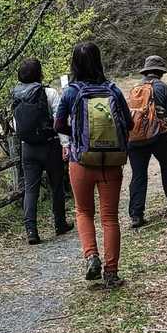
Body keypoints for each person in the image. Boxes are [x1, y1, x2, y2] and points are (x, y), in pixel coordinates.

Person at [55, 41, 132, 289]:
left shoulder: (70, 92)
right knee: (110, 218)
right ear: (99, 61)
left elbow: (58, 125)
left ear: (74, 64)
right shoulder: (113, 90)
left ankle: (91, 256)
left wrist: (78, 136)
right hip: (111, 163)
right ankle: (111, 273)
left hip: (81, 161)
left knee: (83, 211)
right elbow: (129, 124)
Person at [10, 57, 71, 245]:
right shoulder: (49, 92)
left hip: (28, 148)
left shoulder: (16, 95)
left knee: (30, 190)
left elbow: (16, 125)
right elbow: (59, 120)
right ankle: (60, 224)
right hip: (50, 145)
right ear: (39, 74)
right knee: (57, 185)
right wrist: (65, 144)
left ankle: (31, 231)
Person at [126, 55, 167, 228]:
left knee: (138, 174)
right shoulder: (165, 88)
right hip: (160, 136)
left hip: (136, 139)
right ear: (160, 72)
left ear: (145, 71)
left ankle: (136, 215)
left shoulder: (134, 89)